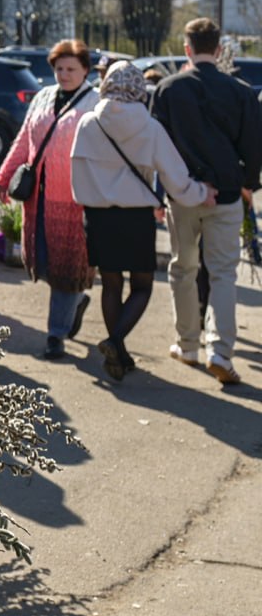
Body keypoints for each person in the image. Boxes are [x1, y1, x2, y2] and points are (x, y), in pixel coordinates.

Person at [71, 61, 215, 380]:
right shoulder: (150, 127)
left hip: (98, 216)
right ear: (139, 89)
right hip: (136, 216)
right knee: (142, 286)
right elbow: (175, 177)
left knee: (111, 285)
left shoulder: (88, 123)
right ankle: (115, 344)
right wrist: (200, 193)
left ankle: (118, 354)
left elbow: (77, 175)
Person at [152, 17, 262, 384]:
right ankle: (220, 350)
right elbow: (254, 146)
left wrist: (162, 192)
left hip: (182, 194)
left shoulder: (167, 90)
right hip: (227, 193)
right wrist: (248, 184)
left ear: (187, 49)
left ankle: (187, 345)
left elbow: (158, 148)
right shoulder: (241, 92)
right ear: (218, 49)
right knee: (223, 274)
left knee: (183, 268)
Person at [0, 39, 99, 360]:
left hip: (75, 199)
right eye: (59, 69)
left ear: (86, 70)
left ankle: (56, 334)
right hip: (38, 198)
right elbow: (24, 138)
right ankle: (75, 302)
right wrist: (5, 176)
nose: (64, 75)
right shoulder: (43, 96)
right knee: (42, 262)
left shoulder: (95, 102)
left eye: (71, 69)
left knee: (66, 269)